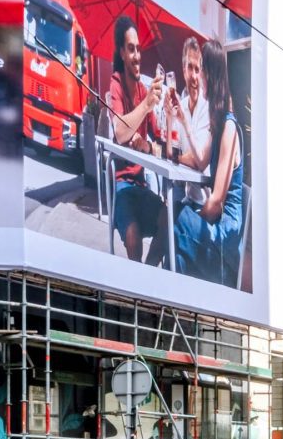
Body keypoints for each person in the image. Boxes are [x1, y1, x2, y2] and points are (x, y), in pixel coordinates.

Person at [173, 39, 244, 286]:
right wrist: (183, 121)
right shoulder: (218, 122)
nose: (197, 76)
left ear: (209, 74)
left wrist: (189, 222)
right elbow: (201, 160)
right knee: (180, 255)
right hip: (215, 231)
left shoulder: (229, 128)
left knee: (176, 217)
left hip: (225, 240)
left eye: (201, 69)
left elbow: (215, 203)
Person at [104, 16, 166, 263]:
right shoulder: (116, 83)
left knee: (169, 219)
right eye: (131, 49)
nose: (137, 55)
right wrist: (146, 105)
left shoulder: (143, 89)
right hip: (121, 187)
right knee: (133, 233)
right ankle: (137, 286)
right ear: (121, 52)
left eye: (138, 49)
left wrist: (148, 145)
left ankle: (147, 276)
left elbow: (160, 144)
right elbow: (119, 131)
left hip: (141, 185)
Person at [163, 36, 212, 202]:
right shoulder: (180, 105)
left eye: (197, 69)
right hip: (183, 191)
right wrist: (169, 118)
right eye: (190, 68)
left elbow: (197, 160)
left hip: (202, 198)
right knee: (161, 214)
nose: (194, 76)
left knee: (166, 220)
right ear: (183, 70)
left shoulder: (207, 109)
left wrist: (176, 158)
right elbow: (169, 151)